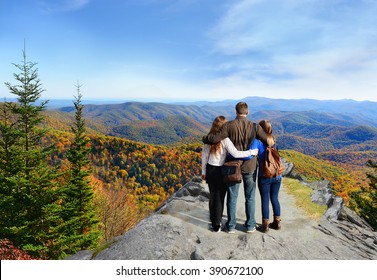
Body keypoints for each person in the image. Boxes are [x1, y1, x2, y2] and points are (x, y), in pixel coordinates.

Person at [203, 102, 268, 233]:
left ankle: (231, 225)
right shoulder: (255, 127)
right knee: (250, 196)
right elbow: (268, 140)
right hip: (250, 166)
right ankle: (250, 225)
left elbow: (215, 138)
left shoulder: (228, 126)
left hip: (233, 166)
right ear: (247, 112)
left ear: (236, 112)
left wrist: (205, 138)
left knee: (232, 196)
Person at [251, 120, 282, 233]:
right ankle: (277, 222)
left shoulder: (257, 141)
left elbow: (252, 154)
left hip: (264, 175)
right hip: (277, 174)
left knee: (265, 199)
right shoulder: (273, 139)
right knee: (275, 198)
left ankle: (265, 225)